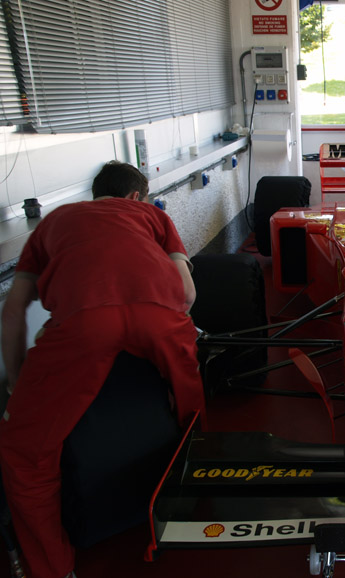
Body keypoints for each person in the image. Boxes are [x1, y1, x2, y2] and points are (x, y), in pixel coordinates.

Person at [0, 161, 207, 578]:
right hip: (159, 315)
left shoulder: (54, 221)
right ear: (136, 197)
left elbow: (14, 311)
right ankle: (198, 493)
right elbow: (186, 293)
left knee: (23, 454)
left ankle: (54, 569)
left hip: (83, 321)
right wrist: (169, 356)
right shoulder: (152, 215)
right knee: (193, 409)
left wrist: (18, 381)